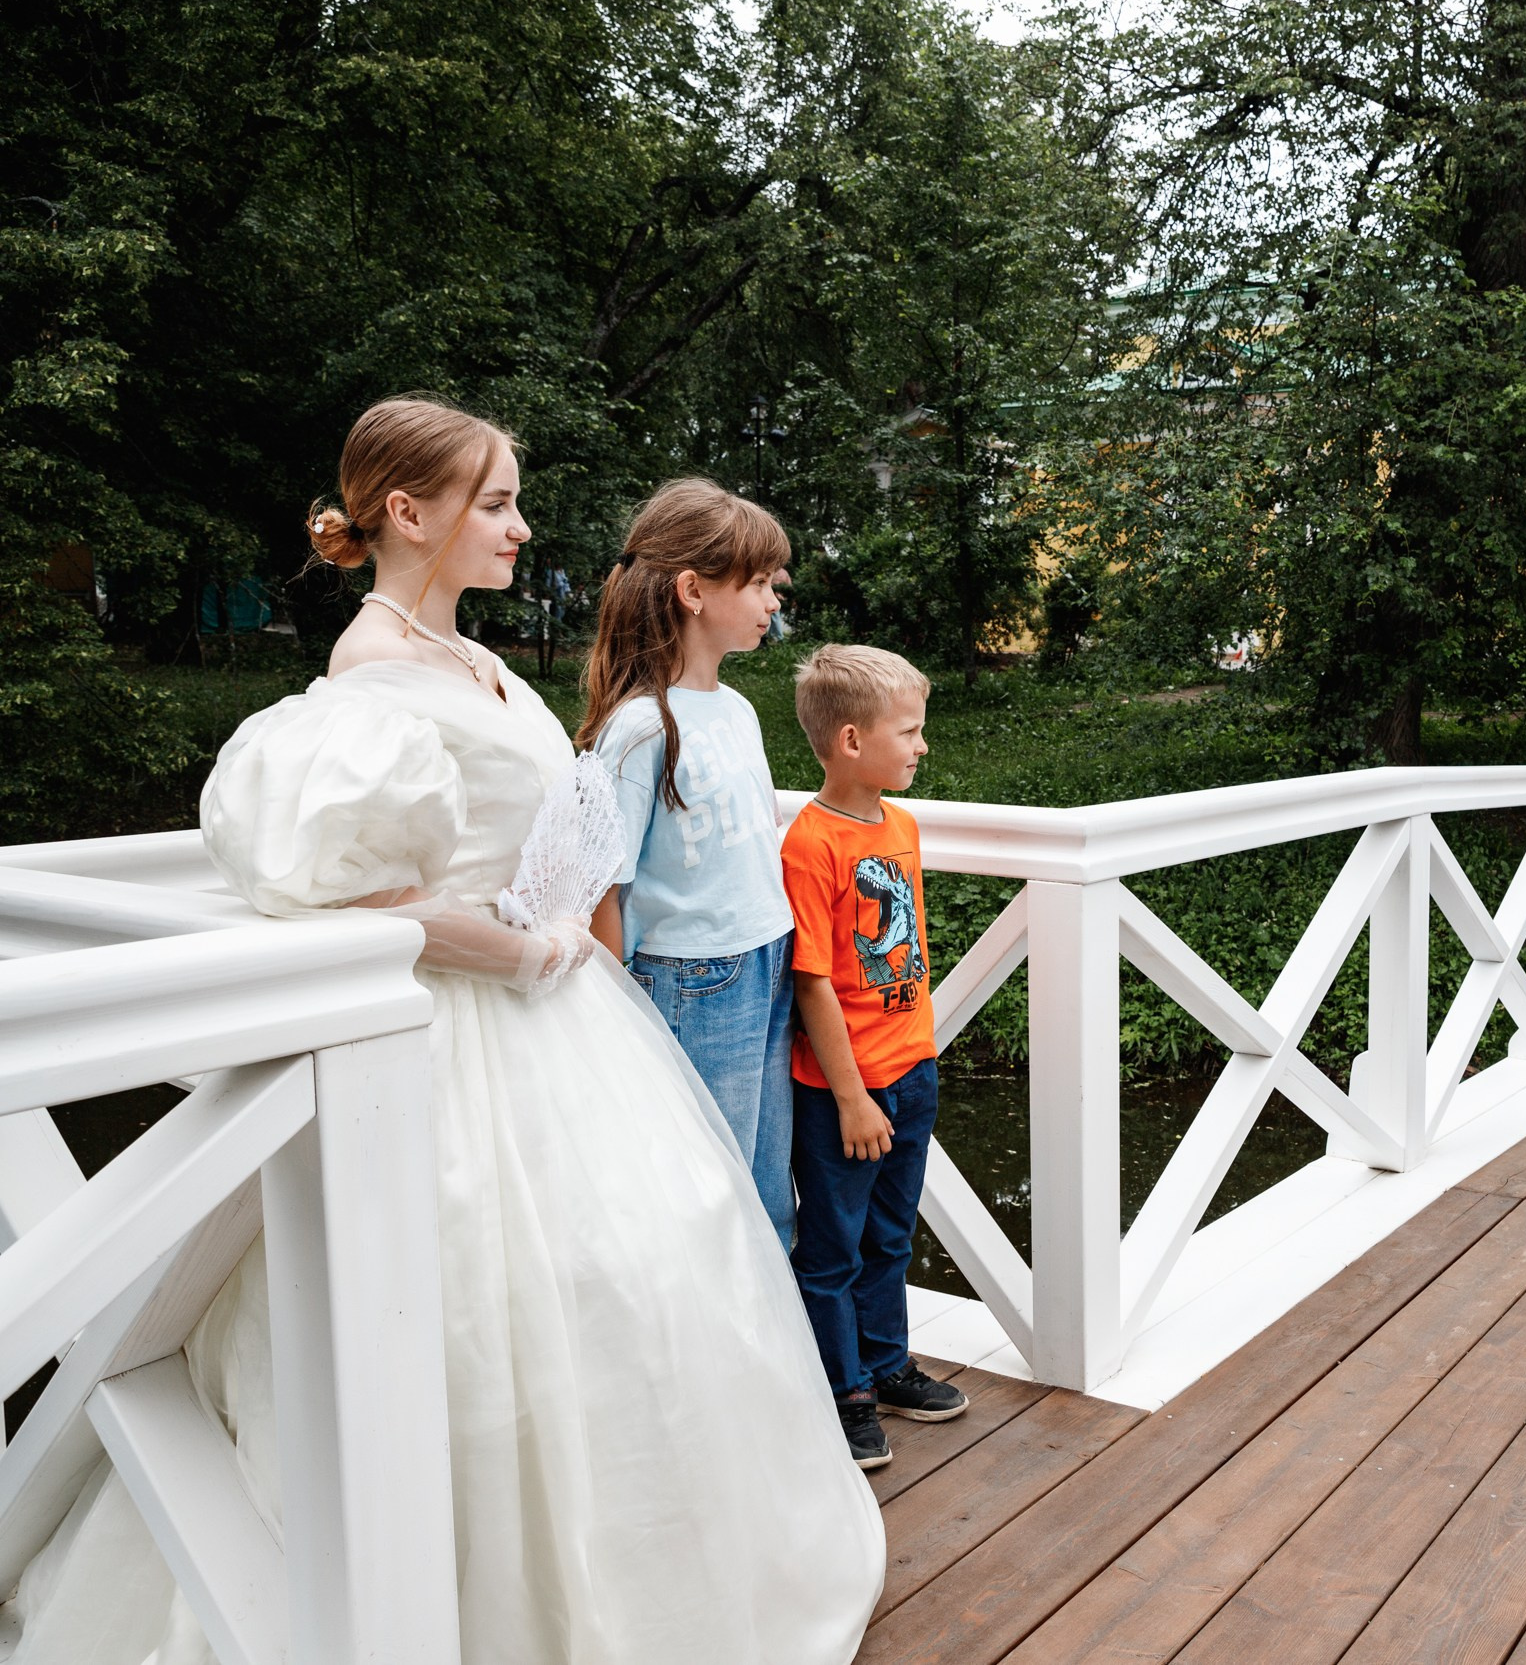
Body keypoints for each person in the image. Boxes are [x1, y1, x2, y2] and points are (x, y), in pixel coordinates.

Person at [0, 397, 883, 1664]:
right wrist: (522, 945)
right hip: (455, 1036)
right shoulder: (370, 673)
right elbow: (357, 893)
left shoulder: (466, 654)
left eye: (515, 499)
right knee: (457, 1323)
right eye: (498, 502)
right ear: (408, 512)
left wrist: (555, 924)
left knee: (631, 1290)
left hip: (559, 1027)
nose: (523, 525)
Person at [581, 480, 800, 1246]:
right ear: (693, 590)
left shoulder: (737, 709)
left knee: (771, 1192)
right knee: (708, 1195)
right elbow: (600, 884)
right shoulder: (642, 728)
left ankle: (777, 1362)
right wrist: (606, 1018)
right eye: (761, 583)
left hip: (769, 958)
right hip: (693, 981)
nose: (775, 599)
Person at [782, 643, 968, 1470]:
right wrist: (852, 1094)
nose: (922, 745)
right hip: (842, 1091)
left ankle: (887, 1363)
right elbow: (815, 982)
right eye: (910, 731)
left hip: (911, 1068)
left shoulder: (901, 825)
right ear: (852, 741)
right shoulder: (810, 844)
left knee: (893, 1235)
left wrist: (918, 1060)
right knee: (834, 1247)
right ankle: (844, 1388)